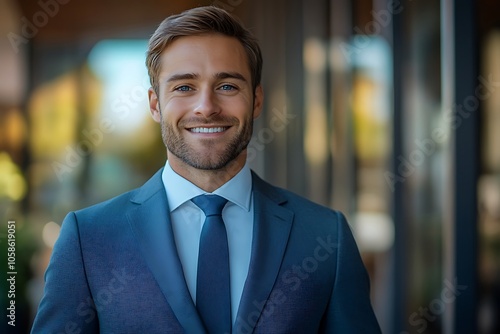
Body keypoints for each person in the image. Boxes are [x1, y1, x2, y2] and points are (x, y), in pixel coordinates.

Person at [31, 5, 381, 334]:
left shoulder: (326, 236)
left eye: (227, 86)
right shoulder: (88, 238)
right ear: (155, 104)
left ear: (257, 100)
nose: (206, 107)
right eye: (184, 87)